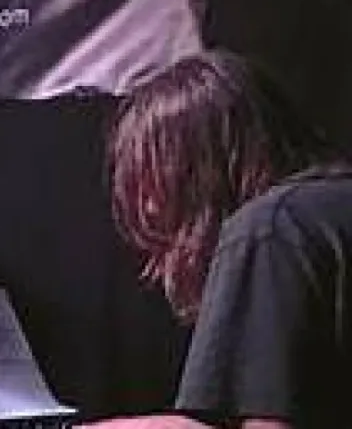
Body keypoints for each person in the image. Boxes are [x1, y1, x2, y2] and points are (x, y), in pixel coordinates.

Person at [84, 50, 348, 428]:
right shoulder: (329, 211)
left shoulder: (270, 228)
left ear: (202, 165)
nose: (150, 206)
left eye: (155, 175)